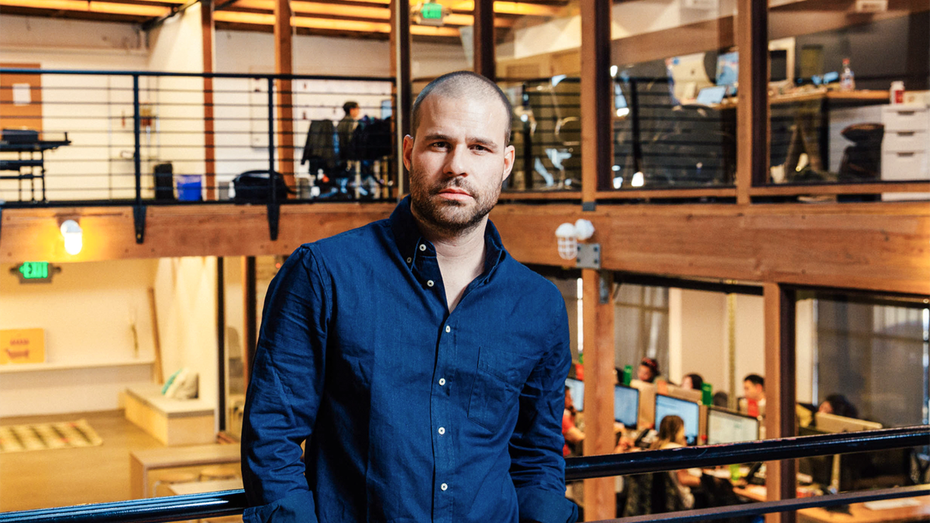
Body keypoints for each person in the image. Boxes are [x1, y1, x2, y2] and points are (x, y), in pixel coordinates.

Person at [241, 71, 578, 523]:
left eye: (480, 147)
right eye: (440, 143)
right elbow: (272, 434)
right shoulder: (323, 274)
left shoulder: (539, 305)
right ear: (408, 152)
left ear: (506, 162)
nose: (458, 164)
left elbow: (537, 454)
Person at [649, 415, 700, 509]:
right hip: (681, 502)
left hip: (664, 502)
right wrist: (707, 482)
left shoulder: (657, 446)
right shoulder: (676, 451)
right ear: (677, 431)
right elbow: (683, 479)